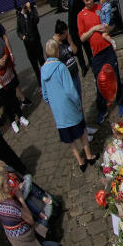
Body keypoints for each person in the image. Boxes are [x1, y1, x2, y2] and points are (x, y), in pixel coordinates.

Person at [42, 40, 97, 172]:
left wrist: (54, 104)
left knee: (70, 139)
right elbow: (70, 90)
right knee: (82, 132)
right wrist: (78, 103)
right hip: (70, 108)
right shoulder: (61, 67)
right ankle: (89, 156)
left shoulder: (43, 70)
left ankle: (80, 161)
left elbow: (45, 95)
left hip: (59, 113)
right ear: (57, 52)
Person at [77, 0, 123, 125]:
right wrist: (93, 29)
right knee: (100, 82)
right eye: (86, 0)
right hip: (96, 54)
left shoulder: (101, 8)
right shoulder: (81, 16)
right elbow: (82, 38)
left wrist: (107, 29)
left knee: (115, 76)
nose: (89, 2)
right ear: (83, 0)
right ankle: (102, 110)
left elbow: (112, 25)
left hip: (107, 49)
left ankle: (120, 102)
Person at [0, 26, 29, 135]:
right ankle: (12, 121)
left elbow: (6, 51)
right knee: (6, 101)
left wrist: (5, 58)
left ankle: (21, 116)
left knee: (13, 96)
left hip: (7, 74)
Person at [16, 0, 44, 86]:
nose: (24, 8)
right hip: (28, 45)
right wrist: (22, 37)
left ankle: (47, 79)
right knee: (35, 66)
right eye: (23, 7)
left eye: (25, 6)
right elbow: (18, 30)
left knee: (42, 62)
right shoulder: (19, 16)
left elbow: (36, 20)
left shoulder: (32, 11)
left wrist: (30, 10)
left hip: (36, 42)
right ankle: (41, 83)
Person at [66, 0, 90, 76]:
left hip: (80, 27)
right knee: (78, 50)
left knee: (86, 46)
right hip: (73, 28)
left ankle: (91, 61)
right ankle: (83, 67)